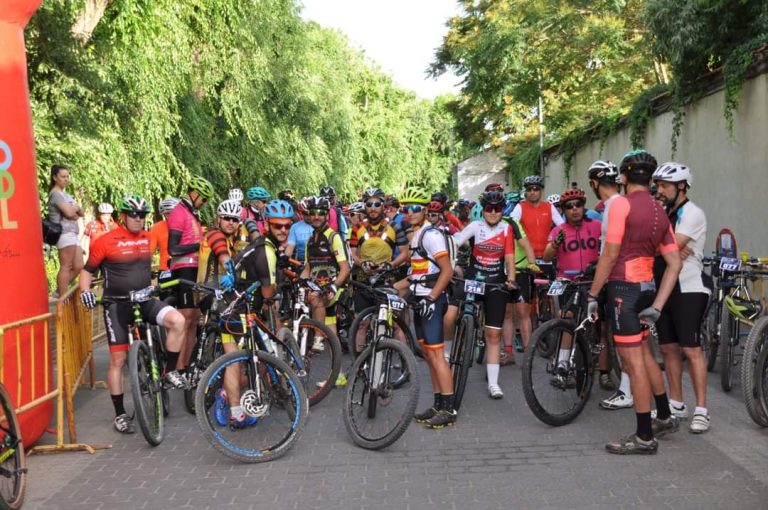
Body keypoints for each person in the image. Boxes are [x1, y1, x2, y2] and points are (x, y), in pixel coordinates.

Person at [587, 149, 682, 455]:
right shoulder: (658, 209)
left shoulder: (620, 205)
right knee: (643, 351)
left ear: (624, 178)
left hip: (622, 291)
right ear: (651, 179)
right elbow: (674, 262)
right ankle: (664, 416)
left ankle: (644, 437)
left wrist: (592, 293)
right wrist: (659, 303)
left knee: (633, 363)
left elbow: (610, 253)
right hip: (647, 289)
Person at [78, 196, 186, 434]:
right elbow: (87, 271)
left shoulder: (148, 237)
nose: (139, 219)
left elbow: (167, 257)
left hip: (145, 300)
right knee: (117, 360)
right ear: (123, 217)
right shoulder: (105, 241)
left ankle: (168, 372)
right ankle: (120, 415)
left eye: (143, 215)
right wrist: (84, 291)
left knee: (178, 321)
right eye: (134, 215)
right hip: (117, 306)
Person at [652, 162, 711, 433]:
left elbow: (669, 247)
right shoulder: (663, 212)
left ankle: (702, 410)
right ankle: (677, 403)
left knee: (691, 348)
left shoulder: (693, 213)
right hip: (664, 286)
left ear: (682, 186)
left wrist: (667, 248)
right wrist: (667, 248)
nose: (659, 190)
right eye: (658, 185)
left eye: (665, 186)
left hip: (689, 286)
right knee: (668, 348)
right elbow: (659, 247)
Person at [215, 202, 283, 427]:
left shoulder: (259, 244)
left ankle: (229, 397)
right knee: (235, 360)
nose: (282, 230)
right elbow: (267, 291)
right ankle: (236, 412)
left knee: (242, 360)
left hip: (236, 305)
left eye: (286, 226)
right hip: (238, 308)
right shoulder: (267, 250)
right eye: (277, 225)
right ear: (268, 226)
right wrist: (273, 292)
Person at [393, 187, 456, 428]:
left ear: (426, 210)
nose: (410, 212)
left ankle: (448, 409)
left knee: (437, 354)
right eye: (405, 208)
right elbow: (414, 276)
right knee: (429, 355)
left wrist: (432, 297)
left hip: (431, 300)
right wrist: (390, 286)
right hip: (419, 299)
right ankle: (437, 404)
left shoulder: (430, 235)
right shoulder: (416, 236)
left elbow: (447, 270)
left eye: (415, 208)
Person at [452, 190, 518, 399]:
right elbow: (457, 242)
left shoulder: (506, 228)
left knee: (493, 335)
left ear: (502, 211)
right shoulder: (476, 226)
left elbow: (509, 258)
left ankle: (494, 383)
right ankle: (455, 351)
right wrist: (451, 265)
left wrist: (512, 279)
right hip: (473, 279)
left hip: (495, 283)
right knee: (454, 312)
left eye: (497, 209)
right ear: (483, 210)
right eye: (489, 208)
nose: (492, 212)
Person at [584, 161, 638, 410]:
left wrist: (594, 290)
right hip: (626, 277)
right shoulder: (615, 205)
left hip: (621, 279)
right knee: (626, 341)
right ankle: (630, 390)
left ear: (594, 184)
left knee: (626, 343)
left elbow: (611, 251)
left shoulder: (615, 206)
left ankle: (628, 392)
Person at [167, 175, 214, 376]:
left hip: (195, 269)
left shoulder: (191, 213)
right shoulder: (179, 212)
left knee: (194, 318)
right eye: (203, 199)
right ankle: (177, 367)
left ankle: (188, 364)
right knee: (186, 319)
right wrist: (199, 245)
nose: (204, 204)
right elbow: (173, 248)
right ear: (194, 193)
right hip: (184, 268)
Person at [300, 196, 350, 344]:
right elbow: (308, 267)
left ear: (327, 215)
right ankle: (337, 366)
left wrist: (334, 287)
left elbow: (345, 268)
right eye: (313, 213)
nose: (316, 216)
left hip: (335, 287)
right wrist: (299, 281)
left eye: (321, 213)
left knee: (316, 300)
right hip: (317, 286)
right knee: (330, 327)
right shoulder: (310, 240)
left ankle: (317, 338)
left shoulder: (333, 237)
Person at [47, 164, 85, 297]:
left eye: (67, 176)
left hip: (73, 233)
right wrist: (73, 208)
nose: (66, 179)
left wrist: (74, 209)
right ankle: (63, 299)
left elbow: (81, 213)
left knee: (79, 265)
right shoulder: (55, 194)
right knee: (66, 266)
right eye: (63, 176)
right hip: (63, 233)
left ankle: (59, 290)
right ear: (54, 177)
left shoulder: (66, 195)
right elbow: (70, 213)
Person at [149, 197, 179, 273]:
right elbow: (149, 251)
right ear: (164, 214)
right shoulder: (157, 228)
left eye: (175, 213)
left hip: (185, 268)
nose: (171, 216)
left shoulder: (188, 226)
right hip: (165, 269)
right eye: (168, 213)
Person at [285, 197, 314, 262]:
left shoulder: (320, 226)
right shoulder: (295, 227)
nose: (309, 217)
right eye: (305, 214)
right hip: (301, 262)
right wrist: (285, 258)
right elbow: (290, 246)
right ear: (301, 213)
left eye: (311, 213)